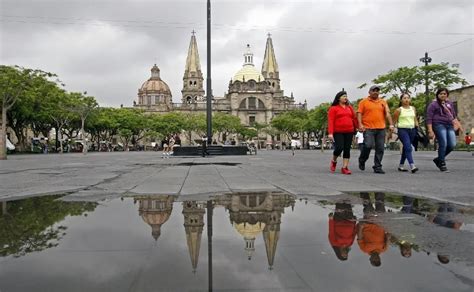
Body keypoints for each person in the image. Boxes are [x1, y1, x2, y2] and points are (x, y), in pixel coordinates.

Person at [357, 85, 394, 174]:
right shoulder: (363, 102)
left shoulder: (383, 102)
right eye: (373, 90)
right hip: (368, 128)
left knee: (380, 148)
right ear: (369, 92)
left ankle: (377, 166)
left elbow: (388, 113)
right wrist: (360, 124)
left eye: (377, 90)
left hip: (381, 128)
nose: (375, 92)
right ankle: (362, 159)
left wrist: (391, 124)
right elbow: (359, 113)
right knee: (368, 145)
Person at [426, 88, 457, 172]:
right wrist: (430, 130)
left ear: (447, 95)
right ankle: (442, 163)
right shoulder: (433, 104)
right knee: (443, 143)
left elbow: (453, 115)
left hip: (449, 125)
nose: (443, 95)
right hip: (438, 124)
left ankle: (438, 159)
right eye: (441, 94)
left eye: (445, 93)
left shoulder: (449, 103)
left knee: (452, 144)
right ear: (437, 95)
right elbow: (429, 118)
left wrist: (456, 124)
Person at [327, 90, 358, 174]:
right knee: (339, 148)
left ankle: (345, 167)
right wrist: (330, 133)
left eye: (346, 96)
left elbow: (354, 118)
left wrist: (358, 127)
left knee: (347, 149)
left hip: (349, 130)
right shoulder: (333, 108)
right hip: (338, 131)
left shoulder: (349, 108)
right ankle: (334, 160)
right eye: (343, 96)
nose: (345, 97)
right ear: (338, 98)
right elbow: (330, 121)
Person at [357, 192, 389, 267]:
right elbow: (388, 237)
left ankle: (363, 192)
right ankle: (379, 191)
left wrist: (361, 227)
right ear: (380, 259)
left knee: (368, 208)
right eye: (378, 260)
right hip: (380, 223)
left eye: (374, 260)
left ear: (370, 259)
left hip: (368, 224)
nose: (376, 258)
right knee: (381, 206)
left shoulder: (364, 249)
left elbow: (360, 238)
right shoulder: (383, 249)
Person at [393, 92, 419, 173]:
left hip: (412, 129)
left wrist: (417, 127)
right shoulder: (398, 110)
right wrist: (393, 129)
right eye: (404, 98)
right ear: (401, 100)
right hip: (402, 130)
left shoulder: (413, 108)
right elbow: (394, 121)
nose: (406, 99)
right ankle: (412, 166)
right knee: (408, 147)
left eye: (408, 98)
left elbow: (415, 119)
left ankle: (401, 165)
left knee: (406, 148)